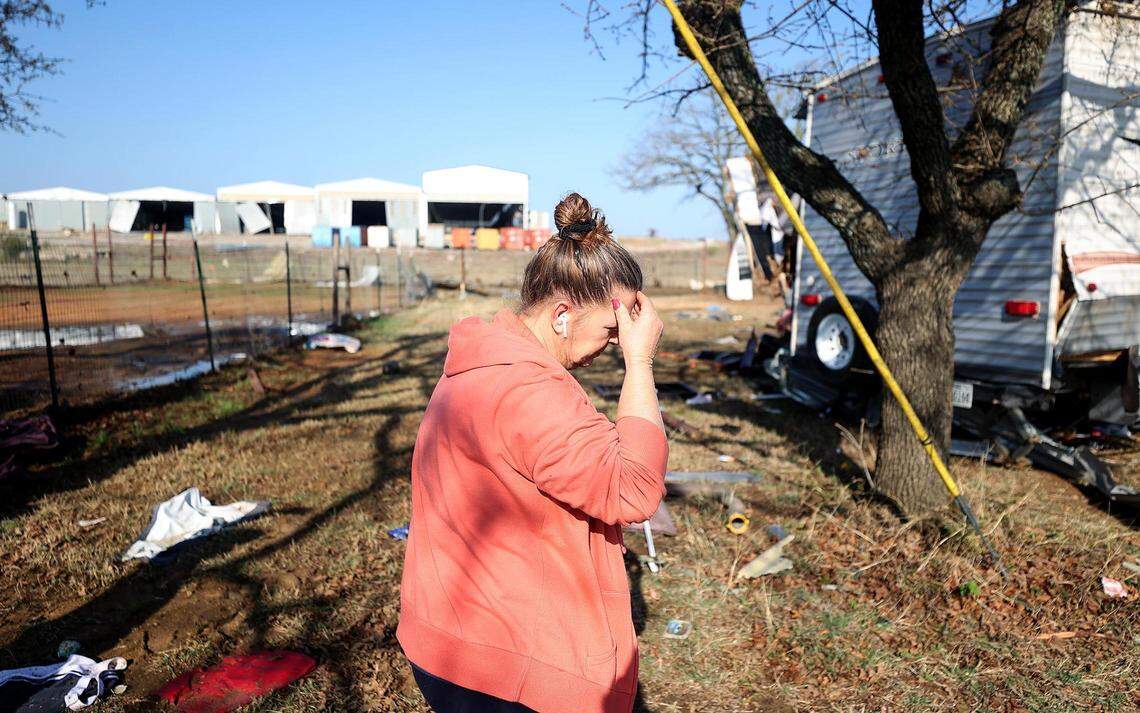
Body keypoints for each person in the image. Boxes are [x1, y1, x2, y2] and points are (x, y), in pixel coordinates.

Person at [397, 193, 669, 713]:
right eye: (612, 330)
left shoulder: (484, 364)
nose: (614, 343)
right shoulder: (529, 392)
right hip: (502, 669)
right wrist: (641, 364)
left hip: (453, 638)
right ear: (563, 314)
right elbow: (634, 491)